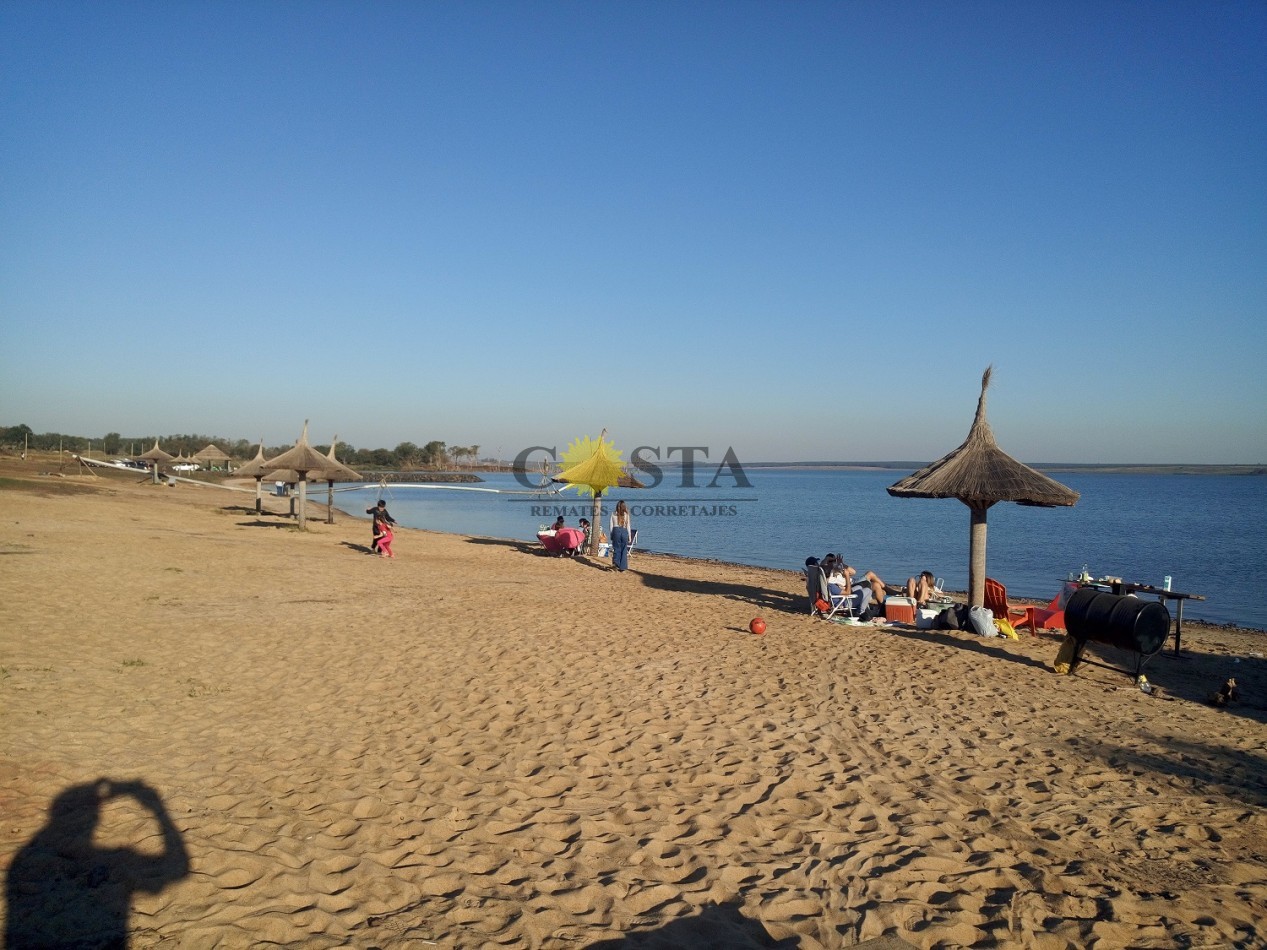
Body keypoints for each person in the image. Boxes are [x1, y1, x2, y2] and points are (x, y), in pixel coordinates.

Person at [609, 500, 632, 572]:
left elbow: (611, 526)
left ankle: (616, 564)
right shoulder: (626, 514)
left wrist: (611, 534)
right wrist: (630, 536)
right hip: (624, 531)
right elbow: (628, 526)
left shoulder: (613, 514)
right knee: (624, 549)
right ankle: (622, 567)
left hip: (616, 531)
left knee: (616, 548)